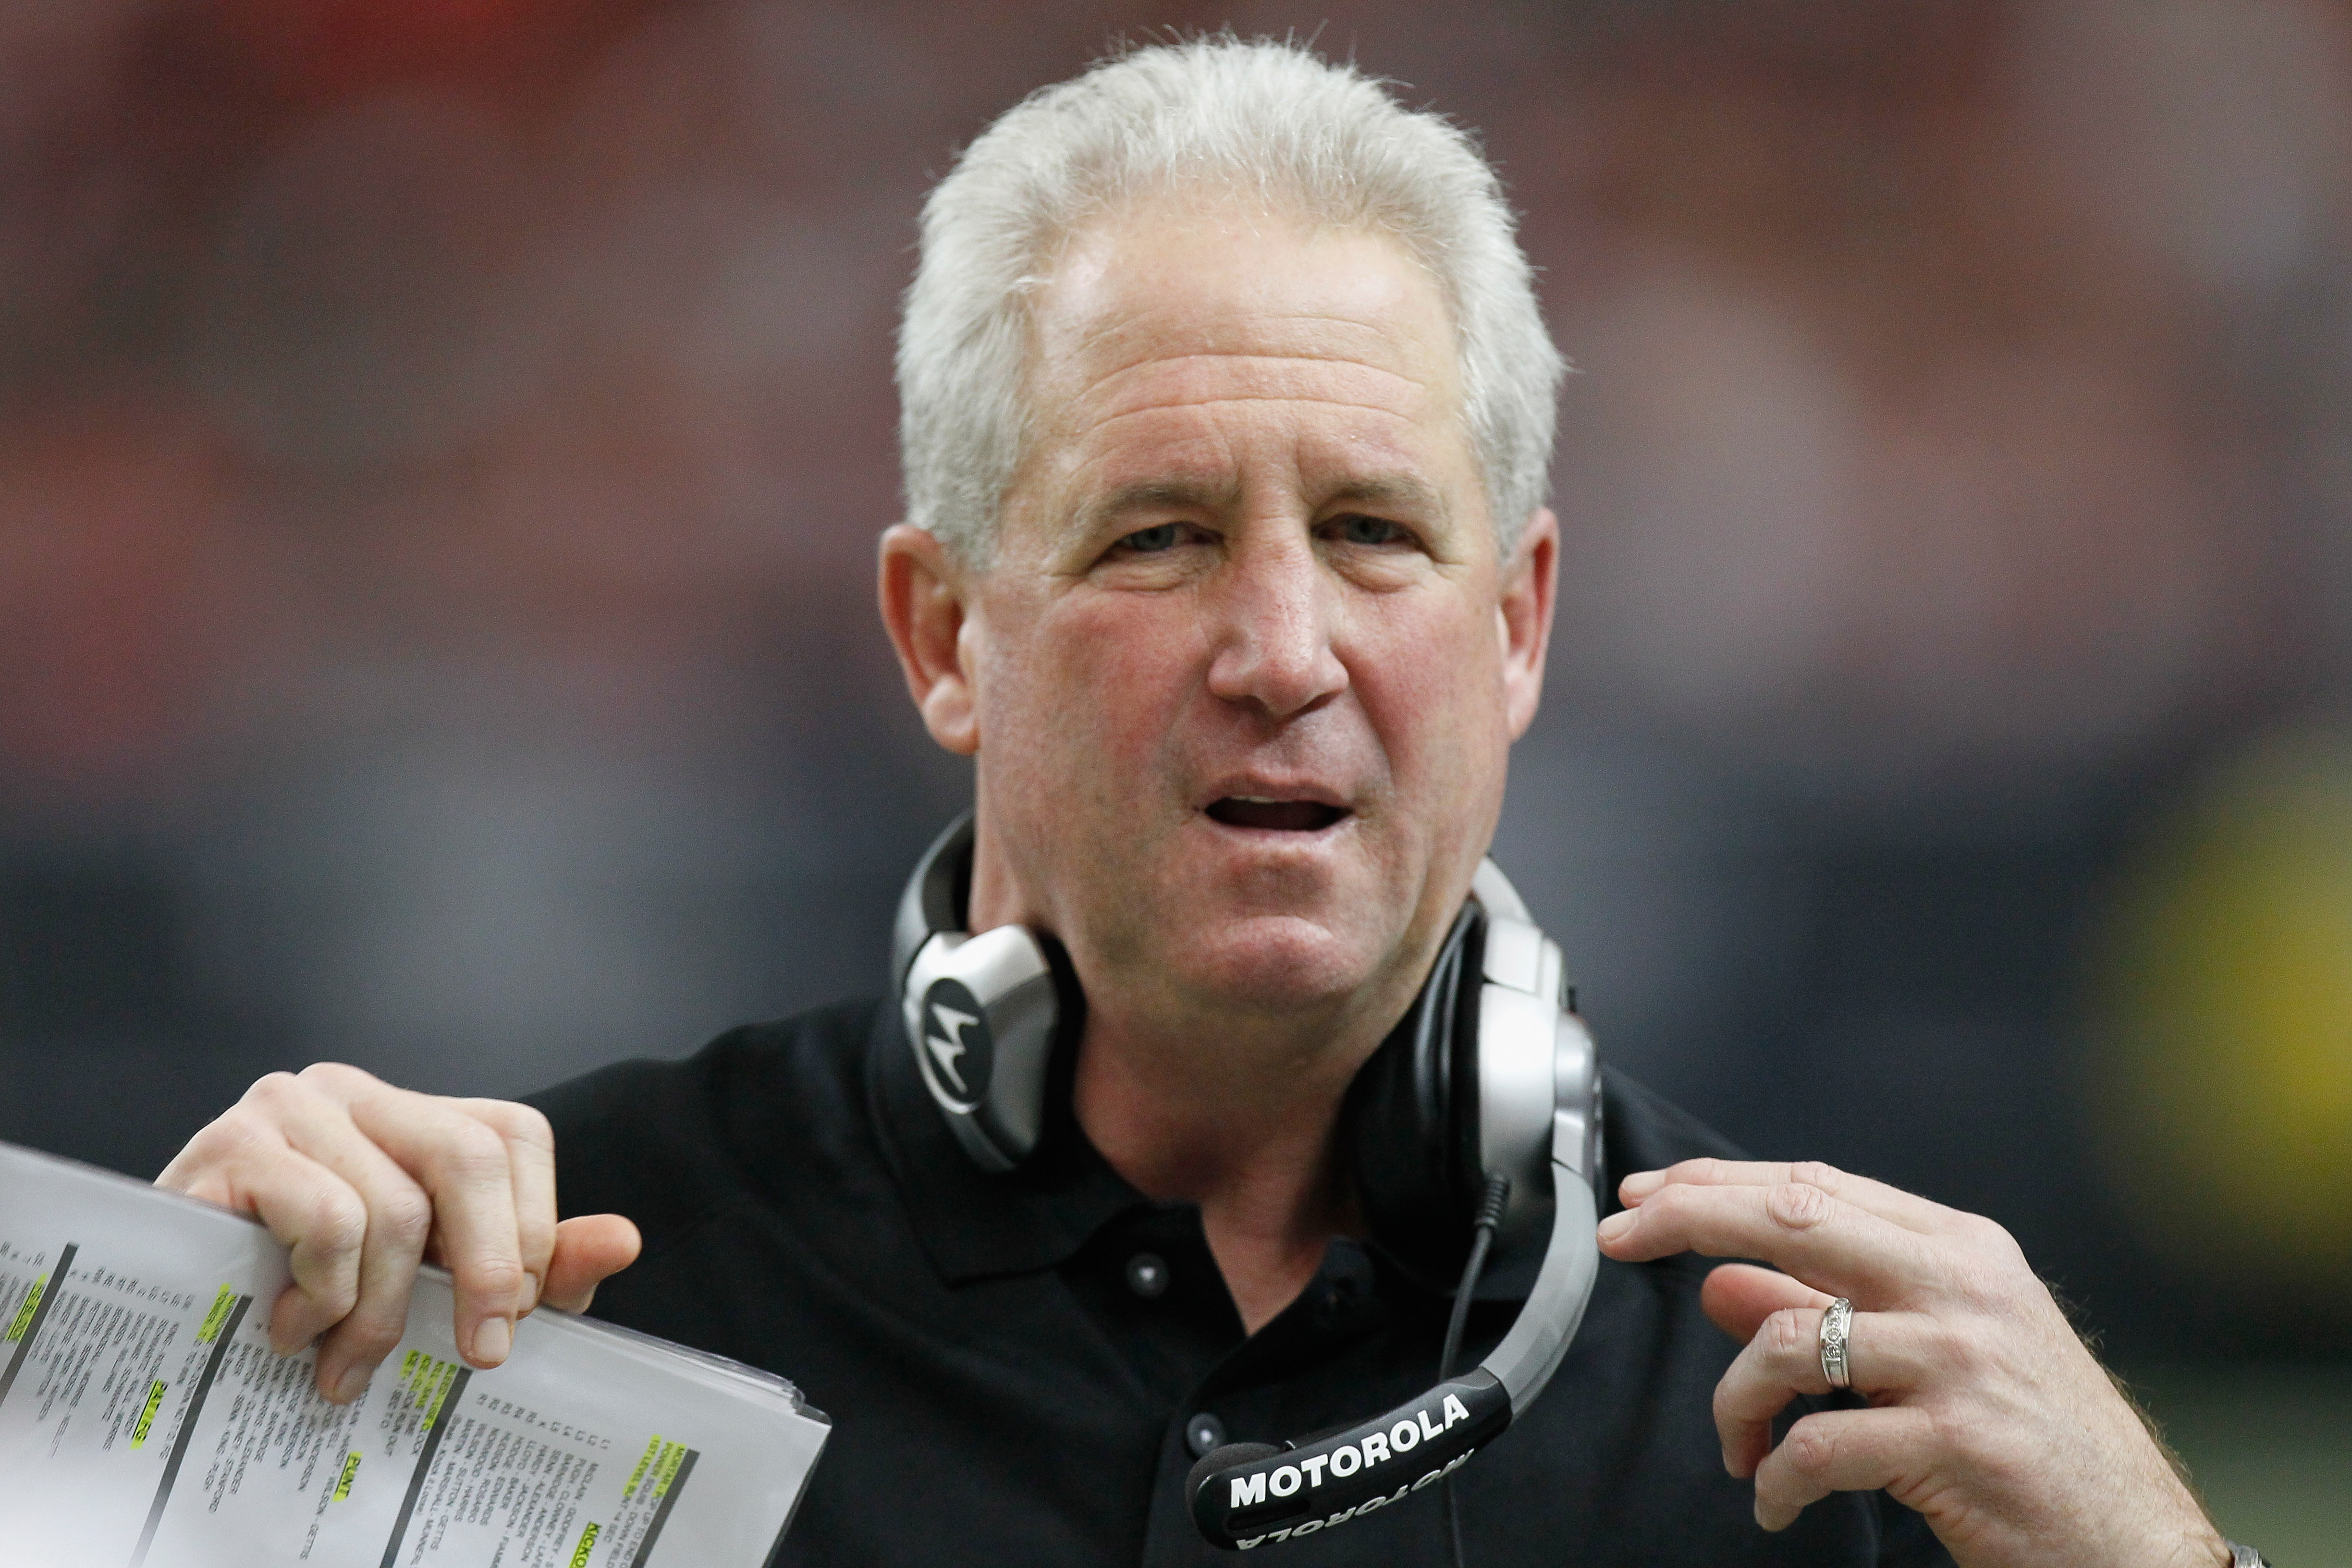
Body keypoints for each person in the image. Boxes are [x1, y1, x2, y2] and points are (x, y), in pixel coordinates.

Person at [159, 37, 2241, 1568]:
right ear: (946, 634)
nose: (1282, 649)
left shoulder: (1810, 1401)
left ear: (1516, 626)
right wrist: (139, 1416)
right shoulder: (546, 1306)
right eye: (1158, 536)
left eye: (1370, 532)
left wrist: (2157, 1556)